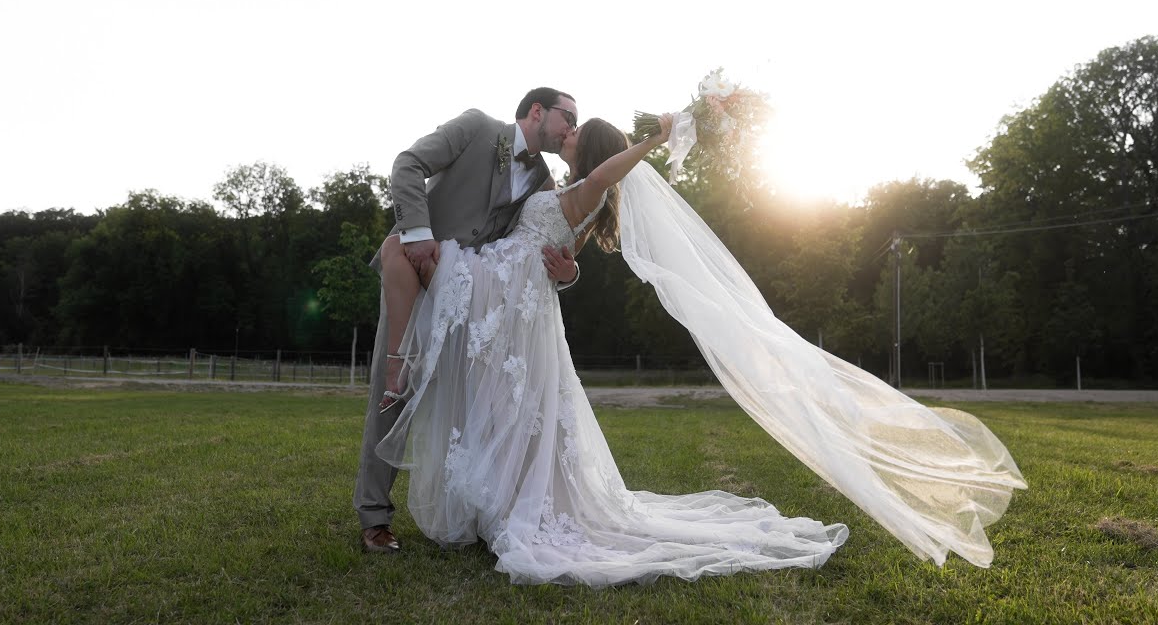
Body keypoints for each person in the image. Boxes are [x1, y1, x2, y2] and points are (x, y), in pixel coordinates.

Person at [375, 115, 1027, 587]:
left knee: (511, 399)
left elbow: (600, 178)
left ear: (592, 151)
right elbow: (557, 250)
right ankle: (500, 498)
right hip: (517, 306)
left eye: (575, 132)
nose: (566, 134)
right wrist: (565, 269)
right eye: (565, 127)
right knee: (516, 413)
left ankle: (469, 454)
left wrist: (653, 141)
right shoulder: (560, 189)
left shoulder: (586, 188)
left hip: (514, 304)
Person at [356, 88, 582, 554]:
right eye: (569, 117)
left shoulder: (544, 182)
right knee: (393, 389)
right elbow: (407, 164)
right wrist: (418, 233)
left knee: (474, 403)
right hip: (416, 274)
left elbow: (546, 246)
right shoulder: (477, 127)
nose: (571, 129)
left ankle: (479, 512)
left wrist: (570, 273)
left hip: (474, 301)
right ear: (537, 111)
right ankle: (374, 517)